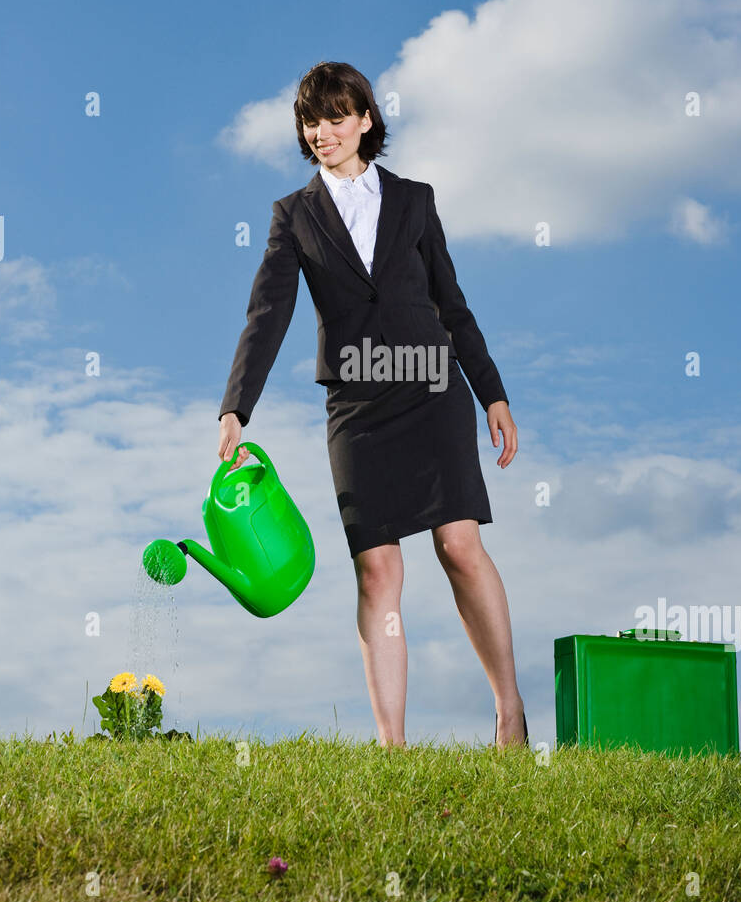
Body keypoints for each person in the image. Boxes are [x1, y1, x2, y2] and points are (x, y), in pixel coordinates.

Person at [217, 61, 528, 749]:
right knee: (378, 566)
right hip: (356, 408)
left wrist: (493, 394)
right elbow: (267, 312)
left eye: (334, 117)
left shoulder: (416, 200)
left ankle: (509, 710)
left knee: (459, 545)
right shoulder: (293, 217)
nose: (321, 132)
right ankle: (393, 748)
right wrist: (237, 408)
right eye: (310, 122)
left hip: (433, 388)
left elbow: (453, 304)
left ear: (363, 120)